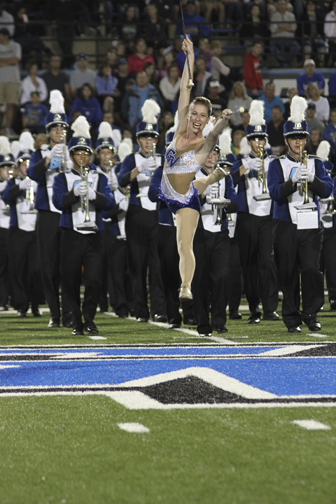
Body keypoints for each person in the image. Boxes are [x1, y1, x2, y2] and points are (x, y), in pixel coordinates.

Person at [158, 36, 231, 300]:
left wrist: (222, 122)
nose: (198, 119)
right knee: (169, 248)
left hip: (185, 199)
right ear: (188, 114)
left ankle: (185, 286)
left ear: (207, 118)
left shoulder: (202, 143)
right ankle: (210, 179)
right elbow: (184, 90)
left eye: (203, 115)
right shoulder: (179, 129)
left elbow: (213, 139)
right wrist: (189, 56)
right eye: (194, 113)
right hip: (165, 192)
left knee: (183, 244)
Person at [267, 96, 332, 333]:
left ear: (306, 139)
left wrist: (312, 179)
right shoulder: (277, 164)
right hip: (285, 224)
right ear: (286, 139)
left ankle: (311, 313)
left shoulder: (316, 162)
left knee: (312, 269)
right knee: (288, 271)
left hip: (310, 223)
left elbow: (327, 190)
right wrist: (292, 182)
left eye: (302, 137)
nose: (298, 141)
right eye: (294, 137)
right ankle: (292, 318)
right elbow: (274, 193)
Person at [52, 116, 115, 336]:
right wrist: (72, 195)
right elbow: (57, 201)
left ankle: (89, 318)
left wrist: (93, 195)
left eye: (86, 153)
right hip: (71, 234)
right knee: (69, 279)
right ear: (71, 156)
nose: (82, 157)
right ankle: (75, 320)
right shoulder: (63, 177)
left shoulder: (100, 177)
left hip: (94, 236)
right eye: (78, 153)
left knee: (95, 279)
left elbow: (110, 203)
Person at [230, 100, 279, 324]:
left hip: (268, 217)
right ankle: (254, 308)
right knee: (249, 263)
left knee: (267, 262)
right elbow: (229, 182)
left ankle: (270, 308)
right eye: (254, 139)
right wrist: (246, 167)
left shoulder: (274, 162)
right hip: (247, 218)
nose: (258, 143)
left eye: (261, 139)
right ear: (248, 142)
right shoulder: (239, 161)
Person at [26, 90, 72, 329]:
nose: (59, 132)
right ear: (48, 132)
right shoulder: (40, 153)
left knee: (69, 266)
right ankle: (55, 313)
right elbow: (32, 174)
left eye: (62, 129)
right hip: (47, 215)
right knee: (49, 266)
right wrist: (48, 160)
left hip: (67, 213)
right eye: (55, 129)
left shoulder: (75, 152)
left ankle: (70, 312)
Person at [118, 99, 167, 322]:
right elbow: (121, 181)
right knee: (137, 266)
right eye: (144, 138)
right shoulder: (131, 159)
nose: (148, 142)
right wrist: (139, 169)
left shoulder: (164, 158)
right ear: (138, 140)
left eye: (152, 137)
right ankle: (140, 311)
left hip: (157, 215)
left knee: (158, 266)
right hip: (137, 215)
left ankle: (159, 308)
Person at [193, 143, 238, 335]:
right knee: (201, 279)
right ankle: (203, 322)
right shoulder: (193, 176)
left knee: (222, 276)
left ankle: (219, 320)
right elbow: (184, 202)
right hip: (199, 232)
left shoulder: (225, 177)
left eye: (215, 153)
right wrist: (201, 197)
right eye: (208, 153)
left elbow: (236, 202)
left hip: (220, 232)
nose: (212, 157)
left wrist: (227, 204)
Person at [2, 136, 43, 318]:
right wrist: (20, 187)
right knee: (17, 269)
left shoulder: (39, 181)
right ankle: (21, 305)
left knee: (35, 270)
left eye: (29, 163)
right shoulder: (13, 182)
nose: (26, 167)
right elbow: (5, 197)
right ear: (18, 166)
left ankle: (35, 303)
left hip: (35, 231)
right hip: (18, 232)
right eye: (23, 164)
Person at [0, 136, 15, 311]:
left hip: (14, 227)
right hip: (1, 228)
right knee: (2, 267)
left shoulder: (18, 184)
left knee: (17, 266)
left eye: (10, 167)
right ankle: (2, 300)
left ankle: (17, 300)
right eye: (3, 167)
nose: (6, 170)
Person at [0, 27, 21, 139]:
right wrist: (9, 62)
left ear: (5, 36)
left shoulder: (15, 46)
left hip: (13, 79)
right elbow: (11, 61)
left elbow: (15, 60)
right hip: (0, 79)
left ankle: (8, 128)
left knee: (11, 104)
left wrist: (2, 62)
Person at [269, 0, 301, 68]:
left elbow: (293, 28)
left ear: (286, 5)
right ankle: (286, 64)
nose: (281, 6)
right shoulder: (274, 16)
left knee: (297, 47)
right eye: (279, 4)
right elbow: (273, 29)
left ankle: (284, 64)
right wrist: (287, 27)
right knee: (272, 47)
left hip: (289, 39)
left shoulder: (291, 16)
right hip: (276, 39)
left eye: (282, 4)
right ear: (277, 6)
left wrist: (279, 26)